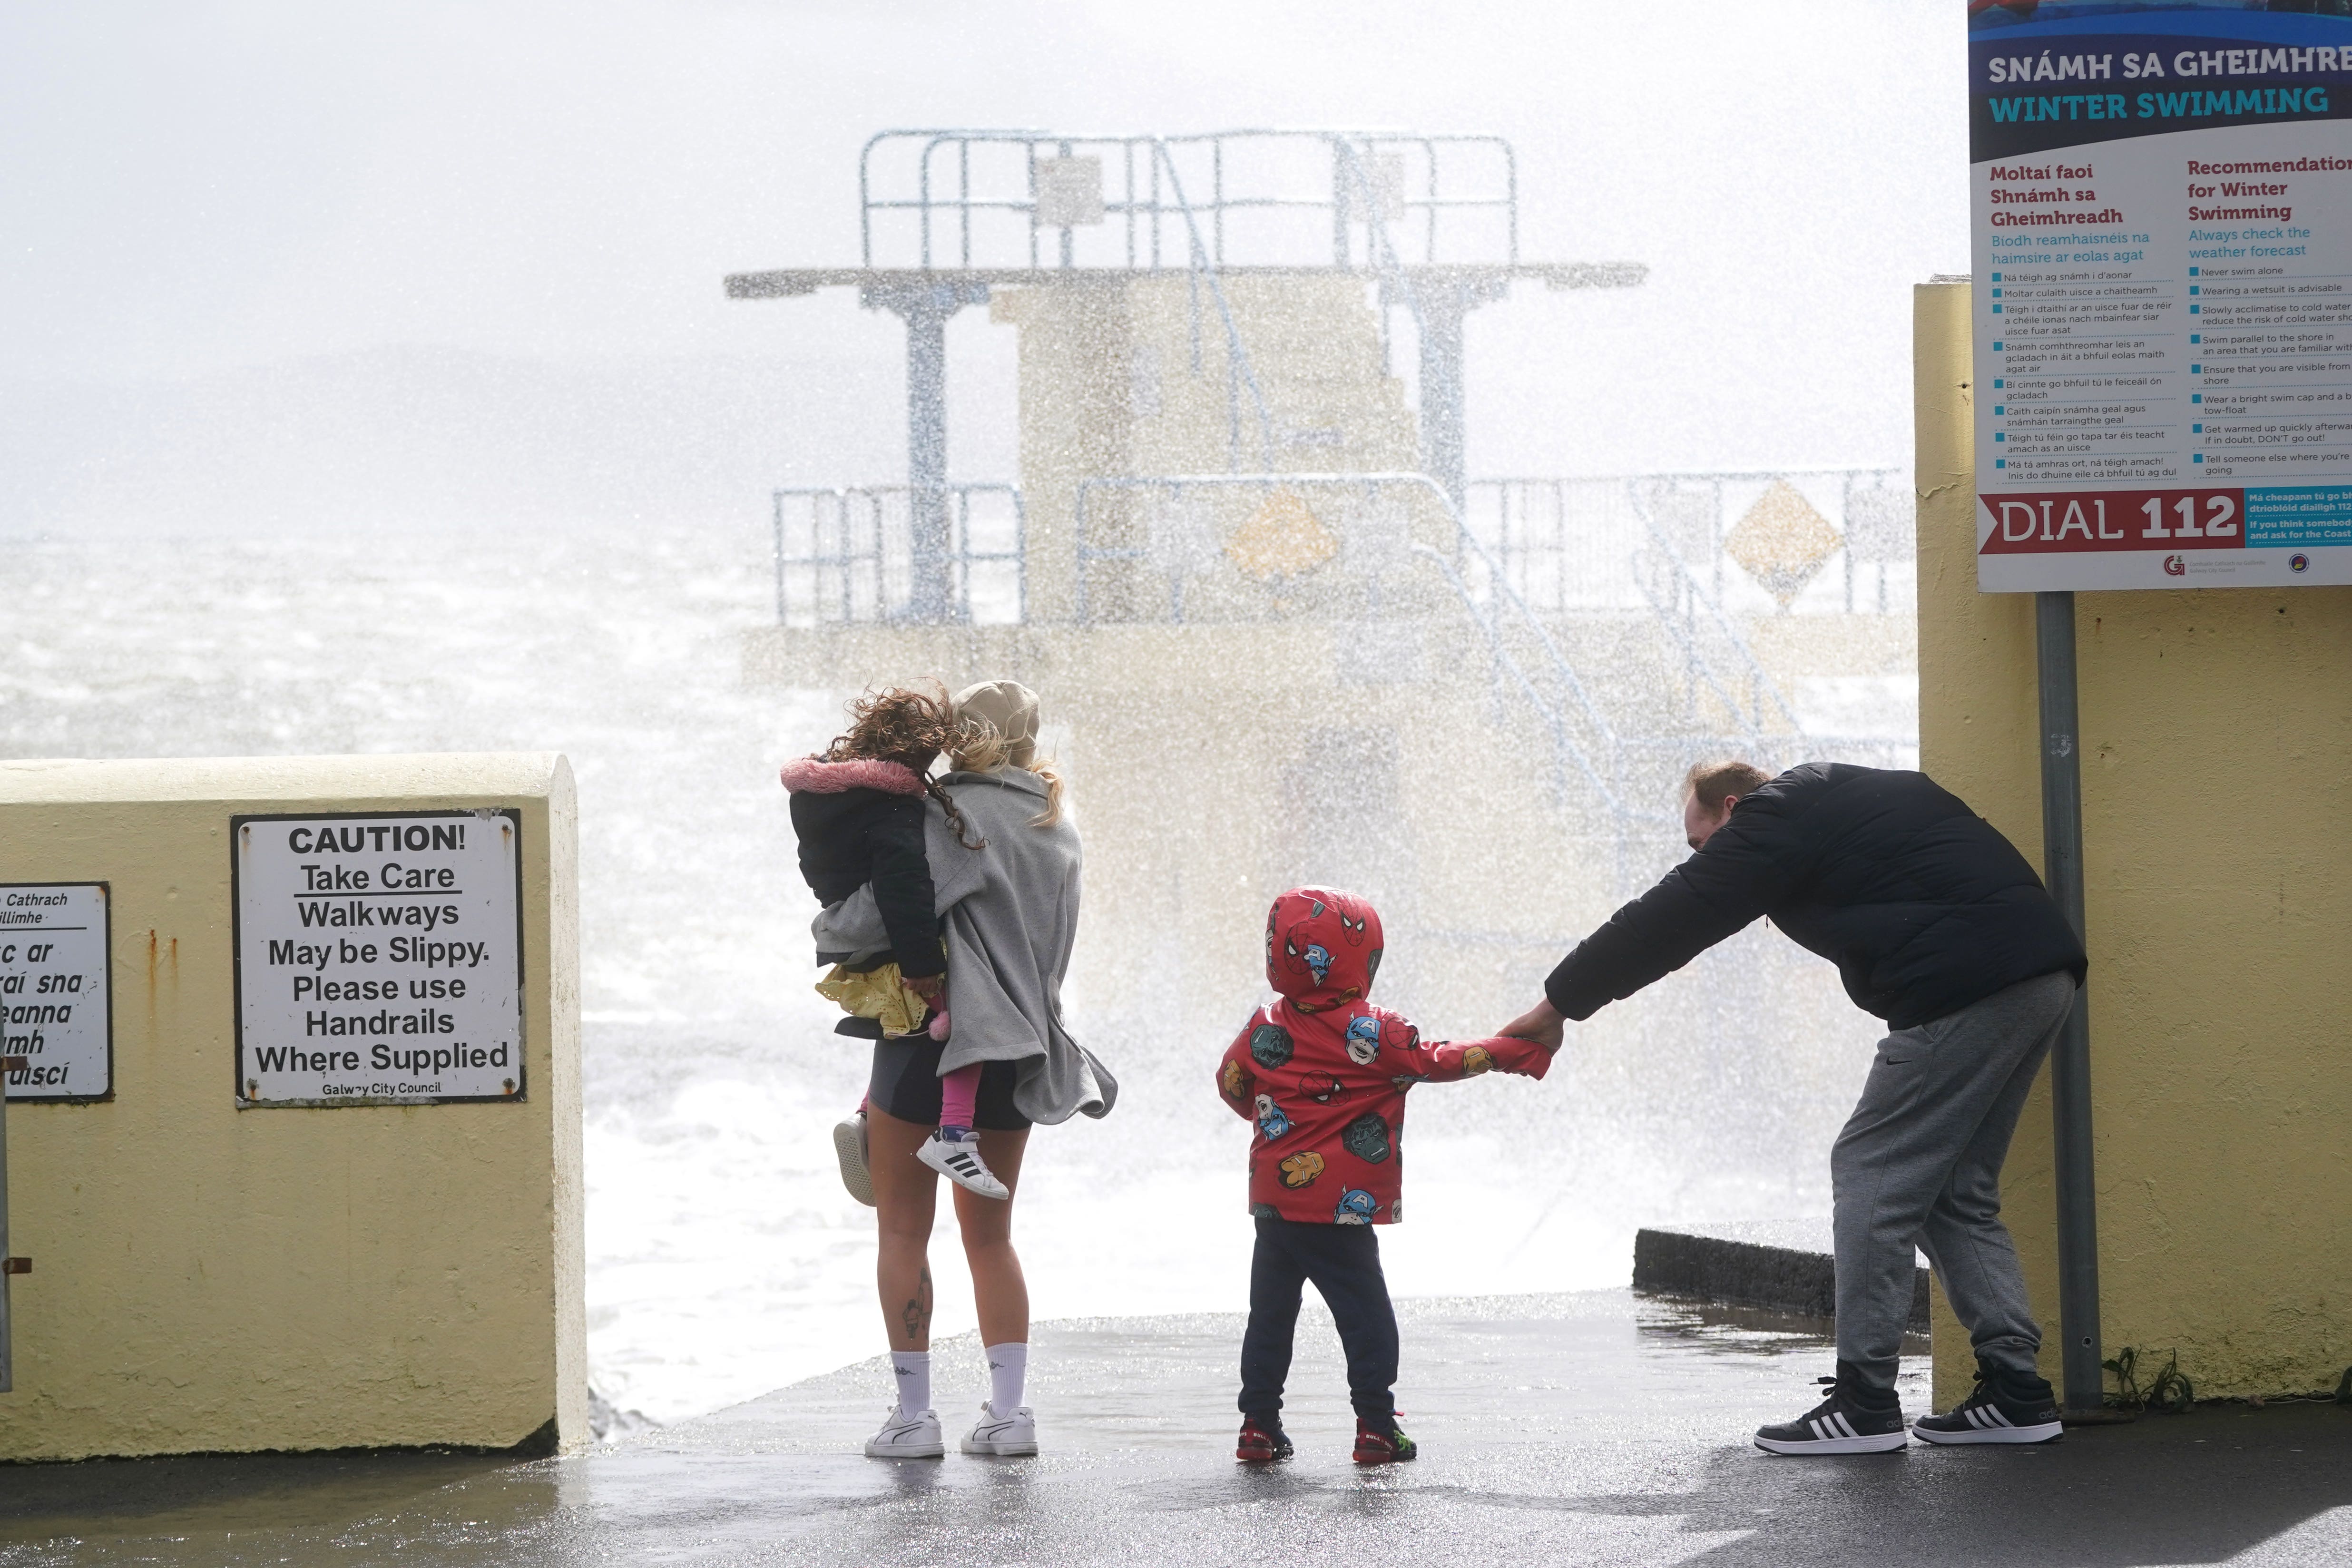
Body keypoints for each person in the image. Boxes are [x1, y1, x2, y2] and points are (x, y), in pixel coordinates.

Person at [1499, 760, 2087, 1455]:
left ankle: (1865, 1401)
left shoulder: (1769, 816)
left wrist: (1556, 1008)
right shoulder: (1840, 796)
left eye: (1702, 842)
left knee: (1872, 1173)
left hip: (1965, 988)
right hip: (2036, 976)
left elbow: (1671, 913)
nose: (1704, 859)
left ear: (1730, 805)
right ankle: (2016, 1392)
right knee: (1951, 1191)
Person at [812, 680, 1116, 1462]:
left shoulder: (948, 814)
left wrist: (827, 921)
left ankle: (914, 1419)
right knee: (991, 1239)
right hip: (1019, 1049)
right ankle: (1008, 1414)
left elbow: (882, 914)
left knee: (904, 1229)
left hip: (930, 1047)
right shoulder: (1057, 826)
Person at [1218, 886, 1552, 1467]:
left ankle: (1258, 1425)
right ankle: (1375, 1425)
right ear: (1361, 957)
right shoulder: (1377, 1031)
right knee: (1365, 1313)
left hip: (1274, 1203)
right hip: (1339, 1208)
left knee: (1270, 1314)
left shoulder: (1263, 1025)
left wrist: (1269, 1117)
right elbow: (1441, 1059)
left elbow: (1230, 1081)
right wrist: (1515, 1050)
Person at [783, 686, 1008, 1203]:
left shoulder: (820, 792)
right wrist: (924, 961)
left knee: (903, 1022)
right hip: (891, 937)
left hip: (847, 929)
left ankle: (866, 1113)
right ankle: (953, 1134)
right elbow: (904, 886)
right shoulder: (892, 811)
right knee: (968, 1014)